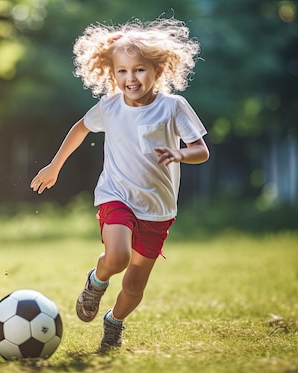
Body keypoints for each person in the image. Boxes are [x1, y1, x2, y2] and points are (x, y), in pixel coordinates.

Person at [30, 17, 209, 350]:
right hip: (117, 196)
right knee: (118, 256)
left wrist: (180, 154)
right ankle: (96, 282)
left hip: (158, 209)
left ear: (158, 69)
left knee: (135, 285)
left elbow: (201, 150)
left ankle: (114, 322)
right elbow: (80, 128)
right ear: (111, 74)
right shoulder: (109, 107)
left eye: (139, 69)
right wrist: (55, 166)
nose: (131, 78)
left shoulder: (173, 107)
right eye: (122, 71)